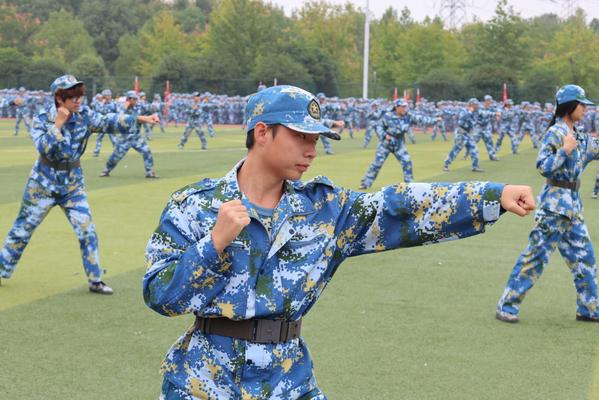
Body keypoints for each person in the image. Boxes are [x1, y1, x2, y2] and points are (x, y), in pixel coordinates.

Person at [143, 85, 535, 399]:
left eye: (316, 138)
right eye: (301, 136)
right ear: (262, 132)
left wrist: (491, 197)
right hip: (204, 382)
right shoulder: (195, 205)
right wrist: (212, 245)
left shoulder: (325, 209)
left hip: (287, 381)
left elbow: (397, 209)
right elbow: (160, 295)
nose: (312, 150)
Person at [0, 75, 157, 292]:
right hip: (42, 185)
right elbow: (44, 148)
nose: (78, 100)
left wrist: (140, 119)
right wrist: (58, 124)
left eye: (79, 95)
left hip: (72, 185)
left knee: (87, 230)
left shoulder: (84, 115)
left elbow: (108, 121)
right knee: (21, 231)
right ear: (59, 98)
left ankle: (95, 280)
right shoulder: (43, 118)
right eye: (72, 96)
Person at [496, 84, 599, 323]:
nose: (585, 109)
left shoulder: (578, 134)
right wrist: (564, 151)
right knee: (536, 257)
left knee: (585, 257)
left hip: (573, 208)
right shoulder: (556, 133)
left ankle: (589, 308)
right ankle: (507, 306)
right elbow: (543, 166)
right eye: (582, 105)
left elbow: (594, 148)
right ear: (569, 106)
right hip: (554, 207)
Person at [360, 98, 436, 188]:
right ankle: (365, 183)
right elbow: (379, 126)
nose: (404, 109)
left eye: (405, 107)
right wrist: (384, 135)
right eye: (402, 107)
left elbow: (421, 119)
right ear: (396, 107)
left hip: (399, 143)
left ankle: (409, 186)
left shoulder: (408, 116)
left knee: (407, 163)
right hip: (386, 143)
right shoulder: (388, 116)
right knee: (377, 164)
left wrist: (435, 120)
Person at [99, 90, 159, 178]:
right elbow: (118, 116)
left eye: (136, 99)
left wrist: (154, 113)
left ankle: (149, 172)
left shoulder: (140, 107)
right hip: (125, 137)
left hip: (136, 136)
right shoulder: (120, 106)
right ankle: (106, 170)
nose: (135, 100)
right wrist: (124, 107)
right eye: (133, 99)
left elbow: (152, 108)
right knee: (116, 155)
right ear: (128, 99)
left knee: (146, 151)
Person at [443, 98, 484, 173]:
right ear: (471, 105)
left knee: (474, 150)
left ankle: (475, 166)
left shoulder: (476, 112)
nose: (477, 106)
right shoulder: (463, 110)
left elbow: (477, 120)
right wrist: (470, 112)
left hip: (469, 134)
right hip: (462, 133)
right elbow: (462, 119)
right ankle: (446, 164)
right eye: (476, 104)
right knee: (456, 149)